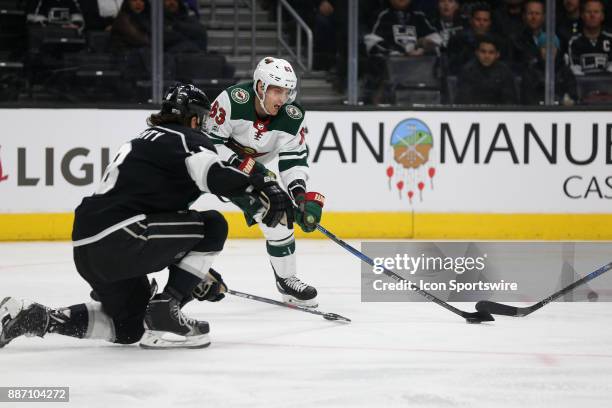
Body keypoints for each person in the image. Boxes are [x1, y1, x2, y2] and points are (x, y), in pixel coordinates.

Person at [0, 84, 295, 350]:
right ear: (193, 118)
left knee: (129, 326)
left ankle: (35, 318)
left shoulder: (145, 140)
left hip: (88, 245)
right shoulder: (186, 138)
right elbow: (214, 176)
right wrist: (265, 183)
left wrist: (195, 275)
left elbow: (157, 215)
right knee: (213, 224)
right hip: (123, 236)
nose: (204, 125)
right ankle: (168, 306)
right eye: (203, 118)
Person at [203, 57, 325, 308]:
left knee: (278, 216)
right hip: (206, 167)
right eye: (276, 91)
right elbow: (209, 144)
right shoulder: (232, 100)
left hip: (242, 176)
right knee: (171, 203)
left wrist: (299, 196)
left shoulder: (292, 115)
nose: (282, 99)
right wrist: (249, 166)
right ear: (260, 87)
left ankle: (286, 280)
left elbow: (293, 159)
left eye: (287, 91)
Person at [456, 35, 517, 105]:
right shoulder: (467, 70)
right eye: (483, 52)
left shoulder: (505, 71)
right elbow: (463, 101)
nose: (487, 56)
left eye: (491, 52)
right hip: (474, 113)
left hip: (499, 113)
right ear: (477, 53)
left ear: (497, 54)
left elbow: (510, 101)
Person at [568, 0, 612, 75]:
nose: (592, 15)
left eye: (596, 12)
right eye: (588, 12)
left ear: (602, 16)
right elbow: (575, 71)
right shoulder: (574, 42)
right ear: (582, 15)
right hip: (583, 86)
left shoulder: (610, 39)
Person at [510, 0, 545, 72]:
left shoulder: (552, 38)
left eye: (537, 13)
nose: (534, 17)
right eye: (530, 13)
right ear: (524, 16)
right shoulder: (515, 41)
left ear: (544, 17)